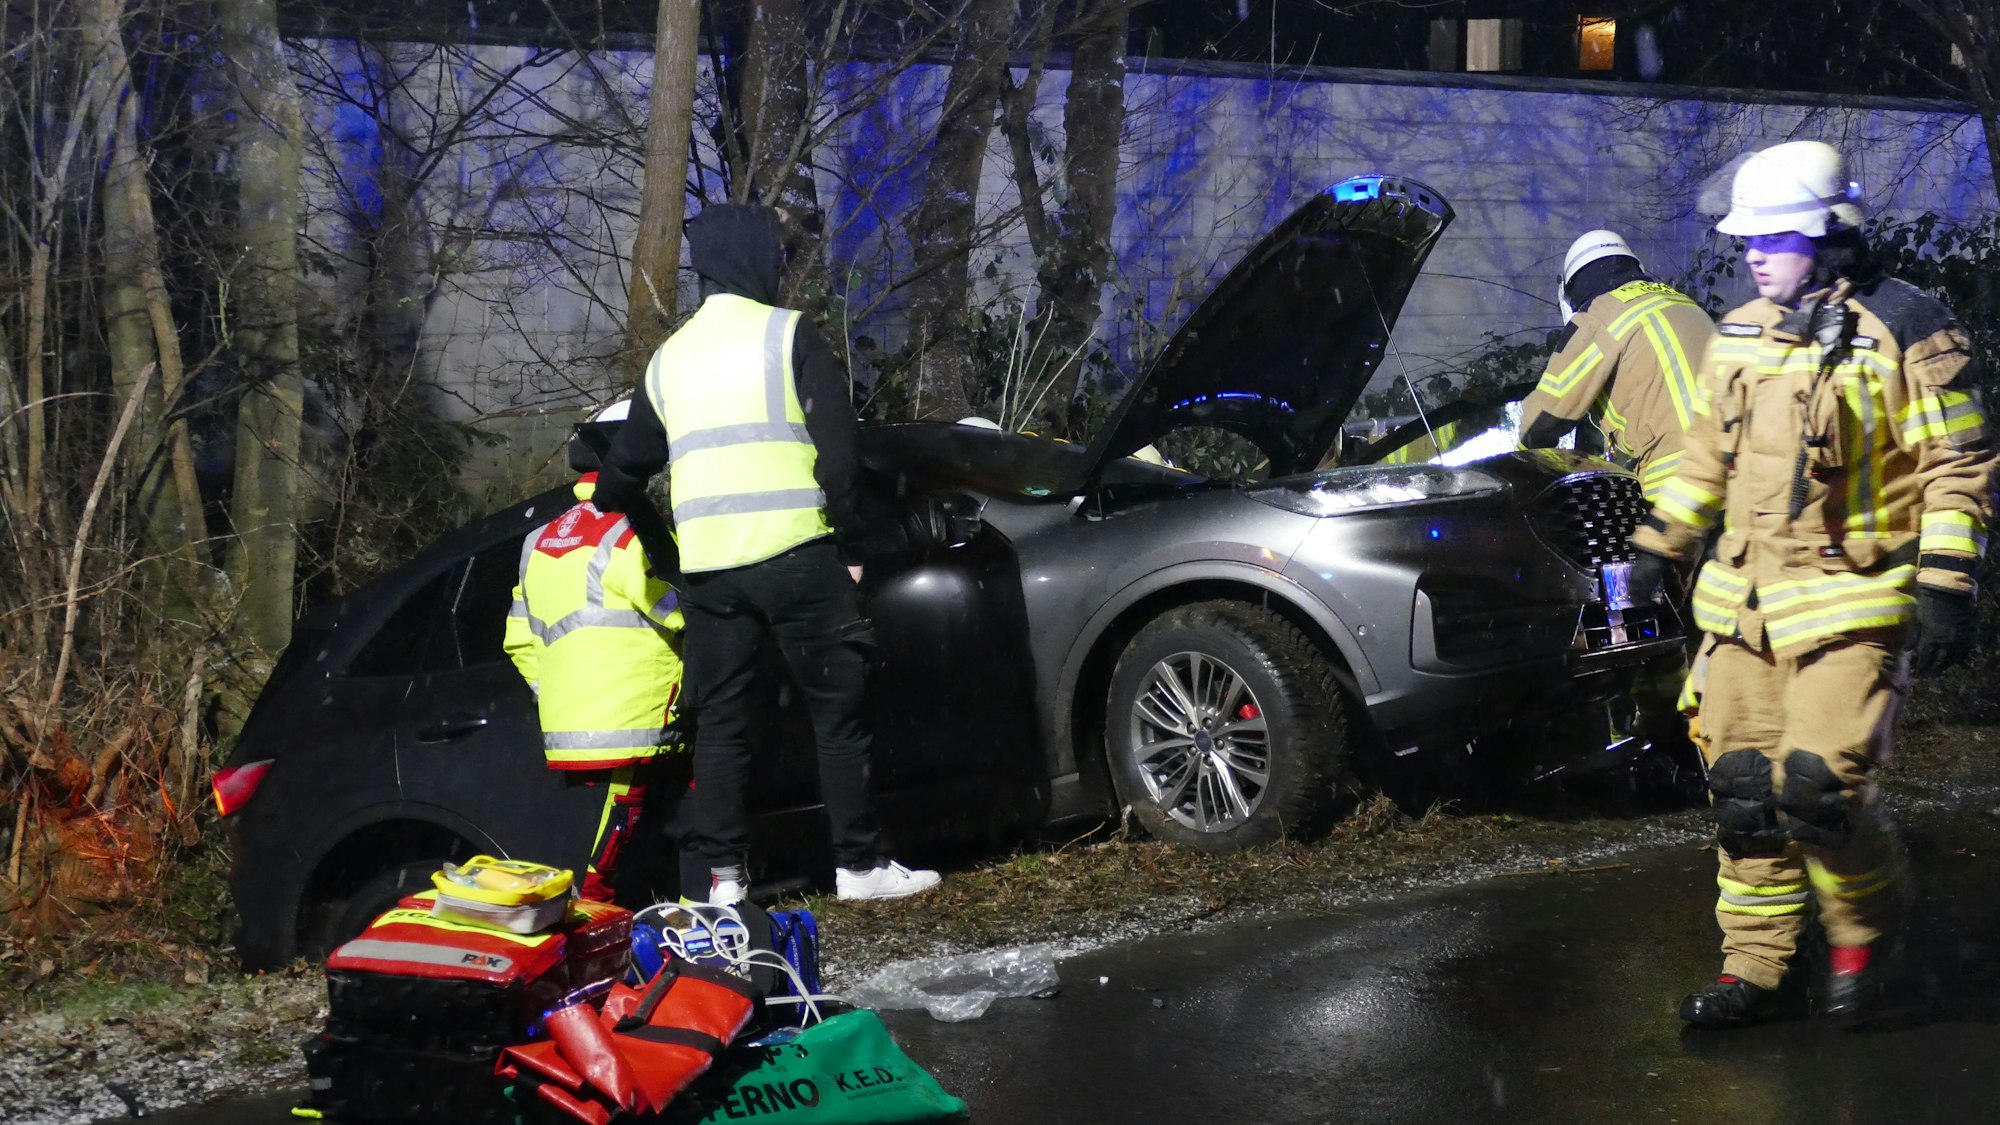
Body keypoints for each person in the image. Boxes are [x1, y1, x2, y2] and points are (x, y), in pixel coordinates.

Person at [1629, 141, 1992, 1027]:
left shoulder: (1908, 326)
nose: (1753, 251)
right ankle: (1755, 969)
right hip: (1742, 609)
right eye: (1747, 237)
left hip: (1851, 607)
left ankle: (1866, 931)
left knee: (1818, 789)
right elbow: (1707, 455)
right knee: (1746, 793)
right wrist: (1659, 542)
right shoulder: (1742, 328)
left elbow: (1960, 461)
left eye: (1774, 236)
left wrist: (1947, 580)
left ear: (1828, 237)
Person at [594, 203, 940, 905]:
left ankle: (723, 881)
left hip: (714, 575)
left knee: (721, 725)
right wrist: (851, 548)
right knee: (834, 714)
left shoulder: (669, 360)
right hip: (799, 559)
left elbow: (616, 480)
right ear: (756, 260)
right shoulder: (788, 337)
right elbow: (840, 459)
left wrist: (668, 551)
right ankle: (860, 866)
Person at [505, 401, 686, 903]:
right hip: (637, 721)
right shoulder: (632, 529)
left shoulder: (538, 539)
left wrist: (562, 692)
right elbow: (676, 608)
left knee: (594, 851)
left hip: (569, 727)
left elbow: (518, 637)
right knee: (616, 863)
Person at [1518, 230, 1716, 502]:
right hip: (1732, 474)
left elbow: (1543, 418)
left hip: (1673, 489)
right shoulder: (1686, 305)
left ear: (1570, 293)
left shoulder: (1599, 316)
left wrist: (1519, 465)